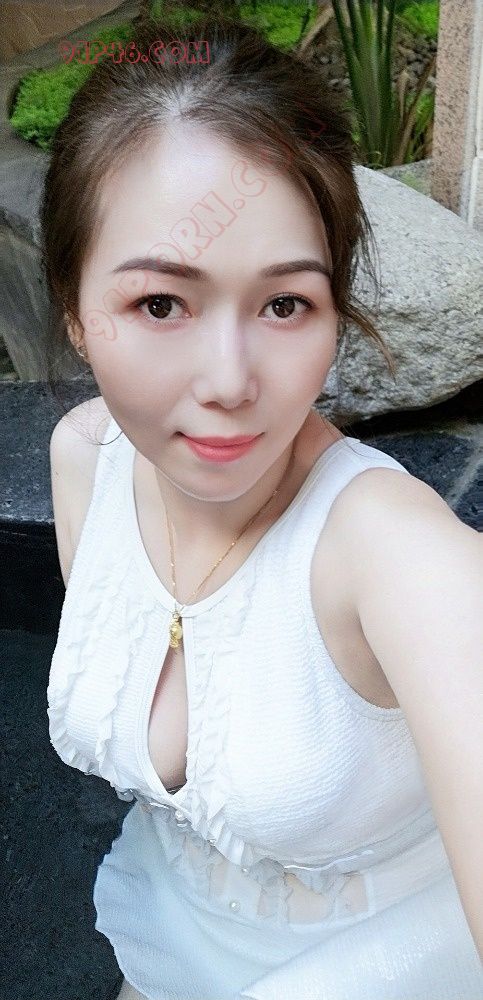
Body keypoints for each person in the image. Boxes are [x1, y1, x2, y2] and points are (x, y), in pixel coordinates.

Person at [42, 12, 483, 1000]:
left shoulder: (397, 555)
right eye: (161, 304)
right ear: (73, 310)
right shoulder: (85, 461)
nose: (231, 382)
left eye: (285, 304)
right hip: (177, 933)